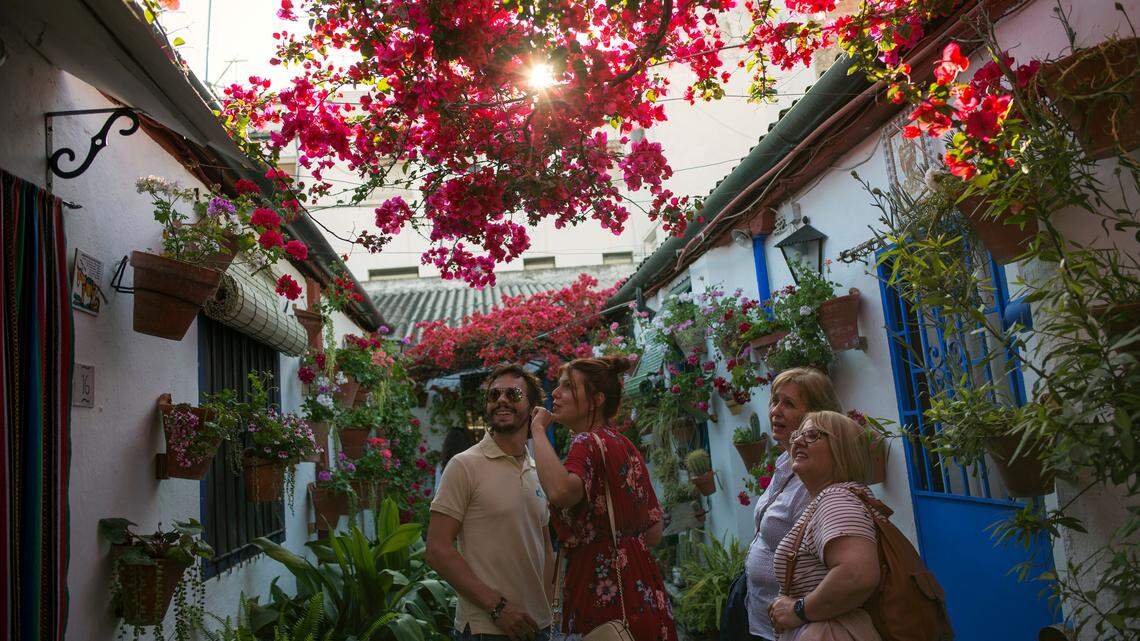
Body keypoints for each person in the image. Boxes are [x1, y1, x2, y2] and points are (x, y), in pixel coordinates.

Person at [529, 356, 678, 641]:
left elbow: (561, 492)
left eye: (568, 387)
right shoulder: (625, 444)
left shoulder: (585, 442)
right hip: (644, 586)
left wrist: (537, 431)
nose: (555, 394)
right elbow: (655, 532)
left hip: (601, 590)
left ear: (595, 399)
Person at [426, 364, 555, 641]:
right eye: (494, 395)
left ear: (533, 408)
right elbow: (437, 548)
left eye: (513, 394)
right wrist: (498, 608)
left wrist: (547, 609)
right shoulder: (464, 465)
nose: (502, 400)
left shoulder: (537, 470)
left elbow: (544, 546)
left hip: (538, 628)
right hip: (487, 630)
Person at [743, 368, 843, 641]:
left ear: (815, 415)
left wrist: (800, 610)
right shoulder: (785, 463)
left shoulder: (820, 479)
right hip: (763, 619)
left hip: (798, 628)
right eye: (775, 401)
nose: (776, 411)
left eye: (788, 404)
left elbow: (843, 569)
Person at [769, 411, 881, 641]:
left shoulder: (836, 498)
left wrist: (799, 610)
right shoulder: (826, 499)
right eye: (798, 434)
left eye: (812, 435)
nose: (798, 440)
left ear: (842, 450)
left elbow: (857, 575)